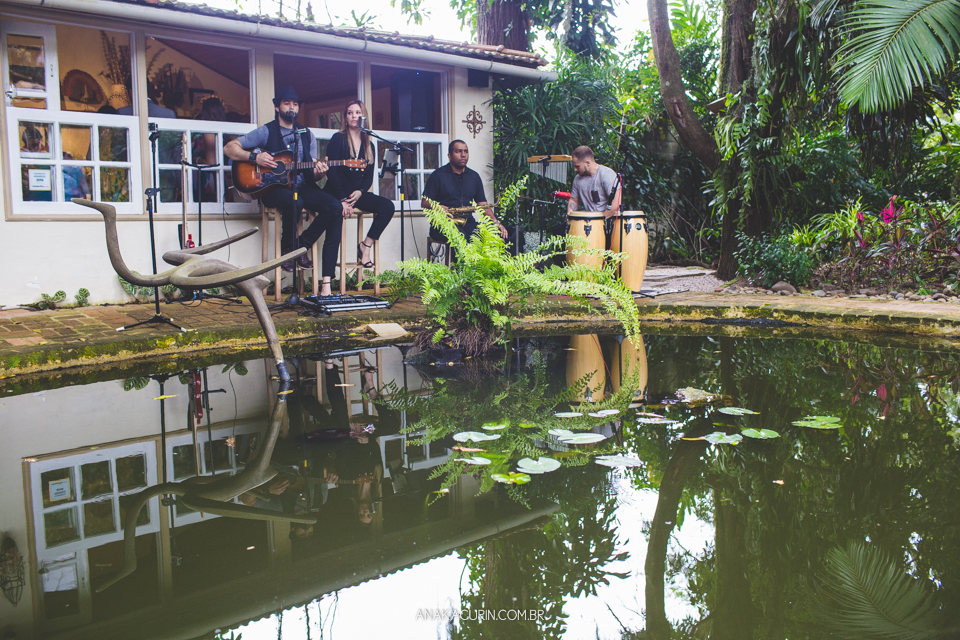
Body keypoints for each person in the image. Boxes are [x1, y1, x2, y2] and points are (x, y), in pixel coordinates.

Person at [224, 86, 346, 296]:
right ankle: (288, 248)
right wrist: (255, 158)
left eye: (295, 104)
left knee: (334, 206)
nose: (292, 107)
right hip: (272, 187)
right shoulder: (266, 131)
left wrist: (320, 172)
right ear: (277, 106)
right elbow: (230, 148)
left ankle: (299, 247)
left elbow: (312, 174)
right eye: (287, 103)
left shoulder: (307, 134)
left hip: (302, 185)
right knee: (294, 201)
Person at [323, 100, 395, 269]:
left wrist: (361, 192)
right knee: (334, 229)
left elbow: (369, 177)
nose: (354, 116)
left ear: (363, 116)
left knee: (387, 207)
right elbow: (331, 173)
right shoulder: (338, 139)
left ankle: (365, 246)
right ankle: (328, 278)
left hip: (356, 194)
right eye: (349, 113)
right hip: (336, 193)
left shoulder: (369, 144)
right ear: (345, 118)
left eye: (357, 112)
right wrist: (343, 199)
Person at [421, 140, 512, 249]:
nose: (463, 155)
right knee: (461, 238)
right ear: (449, 155)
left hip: (467, 222)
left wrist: (495, 222)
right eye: (458, 151)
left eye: (466, 151)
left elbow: (482, 205)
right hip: (443, 223)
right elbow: (424, 202)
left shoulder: (474, 176)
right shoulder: (438, 175)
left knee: (488, 236)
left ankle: (480, 266)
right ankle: (458, 267)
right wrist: (437, 207)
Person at [568, 145, 621, 220]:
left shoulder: (606, 174)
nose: (575, 169)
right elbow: (574, 200)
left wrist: (599, 221)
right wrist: (570, 215)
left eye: (577, 166)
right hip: (589, 223)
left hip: (608, 223)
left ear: (587, 163)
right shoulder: (577, 179)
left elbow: (616, 203)